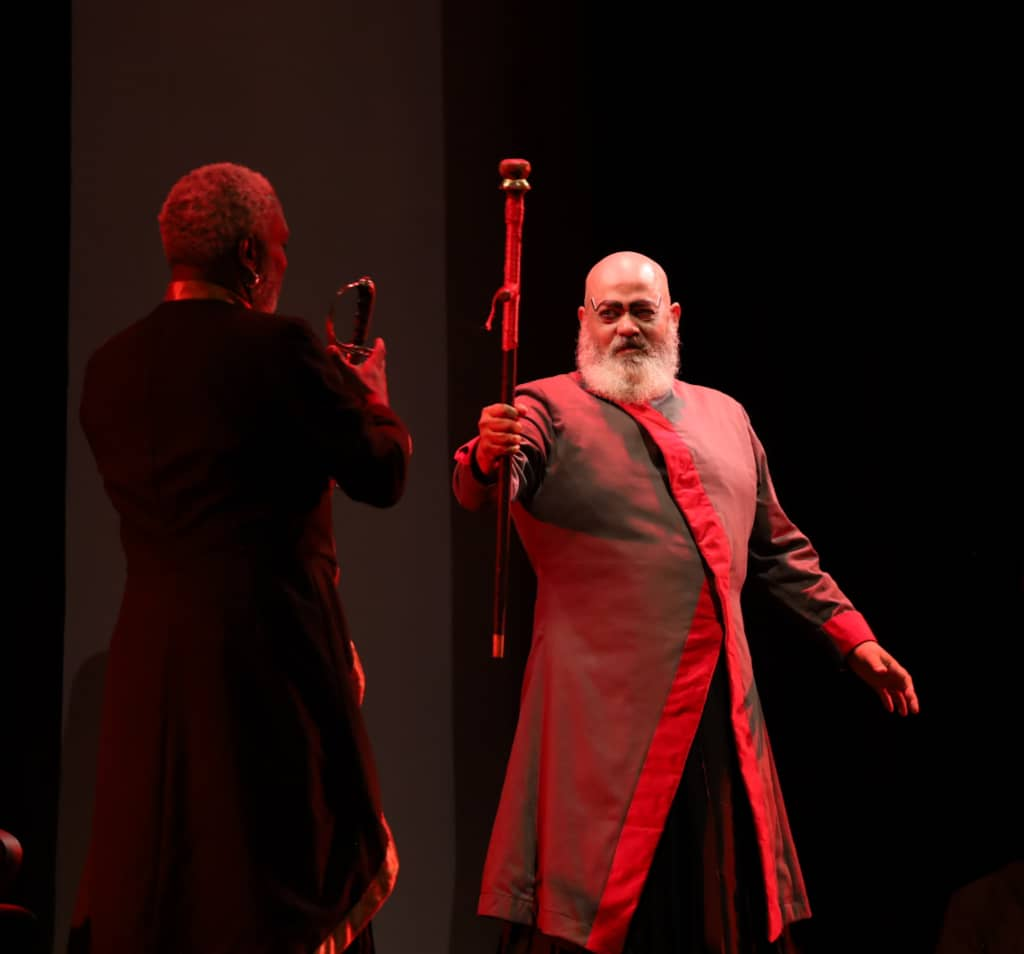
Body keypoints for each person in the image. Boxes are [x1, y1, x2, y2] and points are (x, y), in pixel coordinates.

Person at [451, 250, 920, 954]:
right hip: (598, 729)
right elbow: (495, 477)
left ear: (672, 318)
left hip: (720, 717)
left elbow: (778, 549)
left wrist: (854, 638)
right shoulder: (544, 407)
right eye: (609, 312)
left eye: (642, 311)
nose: (626, 327)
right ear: (583, 321)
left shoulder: (725, 415)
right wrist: (489, 458)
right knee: (600, 911)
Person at [69, 161, 412, 954]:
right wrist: (371, 400)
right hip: (265, 663)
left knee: (167, 868)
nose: (286, 263)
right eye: (282, 246)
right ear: (251, 256)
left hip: (151, 663)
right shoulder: (279, 348)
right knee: (263, 880)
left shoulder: (108, 367)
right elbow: (380, 472)